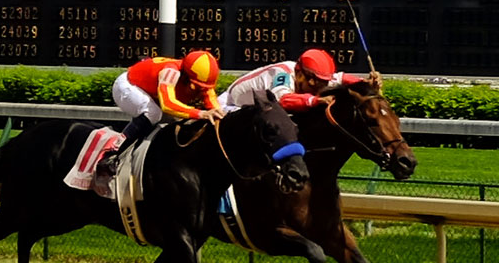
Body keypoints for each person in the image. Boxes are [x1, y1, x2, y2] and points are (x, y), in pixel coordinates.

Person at [98, 50, 225, 179]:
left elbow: (212, 103)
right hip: (127, 86)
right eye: (195, 88)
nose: (198, 93)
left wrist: (218, 114)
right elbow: (167, 104)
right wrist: (200, 113)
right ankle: (113, 152)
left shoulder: (200, 79)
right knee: (154, 113)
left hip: (149, 92)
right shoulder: (171, 72)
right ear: (185, 76)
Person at [217, 48, 379, 113]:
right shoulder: (283, 75)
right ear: (300, 74)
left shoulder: (314, 78)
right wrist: (315, 100)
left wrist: (366, 83)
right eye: (315, 84)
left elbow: (341, 78)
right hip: (230, 105)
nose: (318, 88)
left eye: (322, 83)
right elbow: (283, 100)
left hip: (257, 106)